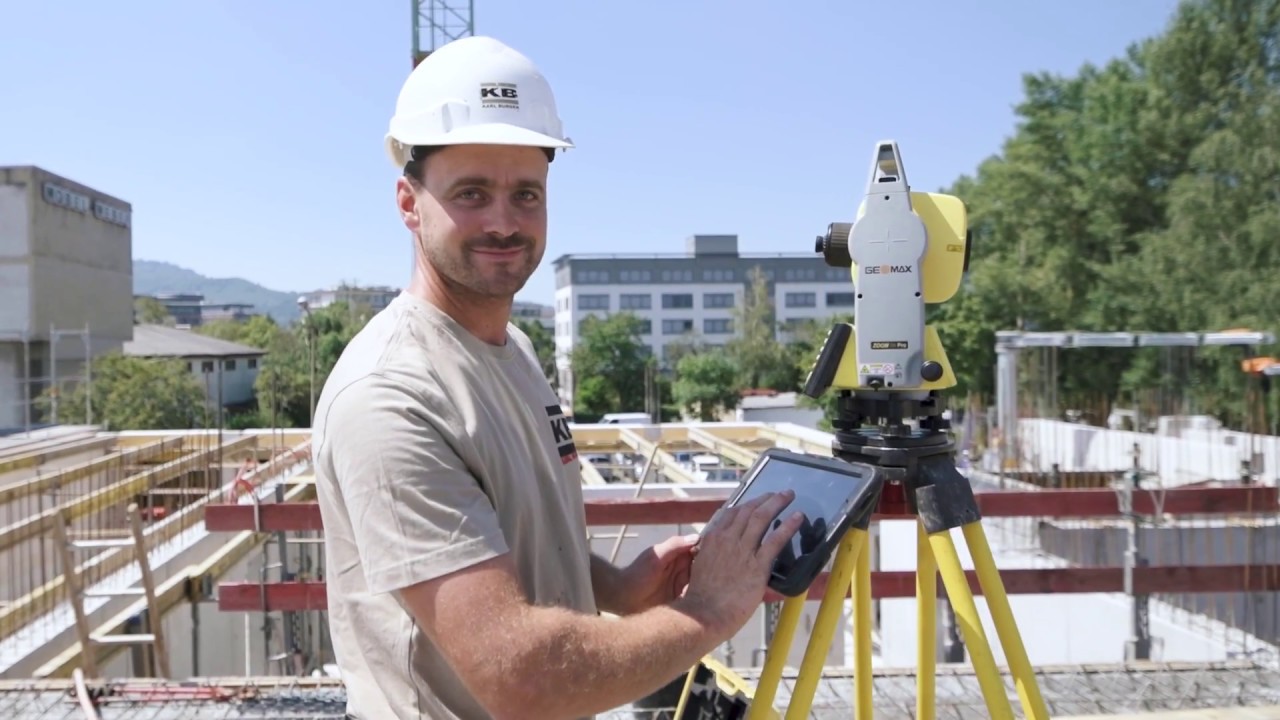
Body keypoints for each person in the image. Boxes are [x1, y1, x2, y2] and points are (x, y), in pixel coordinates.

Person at [311, 35, 805, 720]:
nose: (503, 223)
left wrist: (617, 587)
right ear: (408, 202)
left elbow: (506, 536)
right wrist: (714, 606)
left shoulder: (511, 349)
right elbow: (523, 679)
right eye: (471, 194)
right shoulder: (392, 397)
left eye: (526, 194)